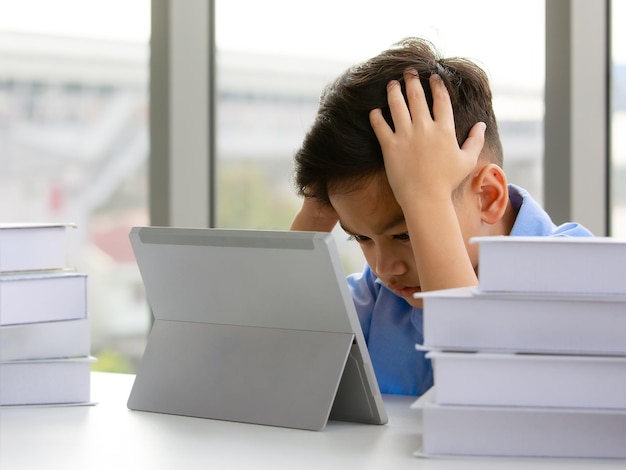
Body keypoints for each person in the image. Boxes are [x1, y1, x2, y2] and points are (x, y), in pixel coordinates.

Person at [290, 37, 594, 396]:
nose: (384, 267)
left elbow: (478, 400)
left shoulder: (582, 278)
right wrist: (317, 208)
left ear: (488, 196)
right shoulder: (380, 298)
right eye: (361, 238)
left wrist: (426, 200)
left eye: (405, 234)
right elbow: (267, 355)